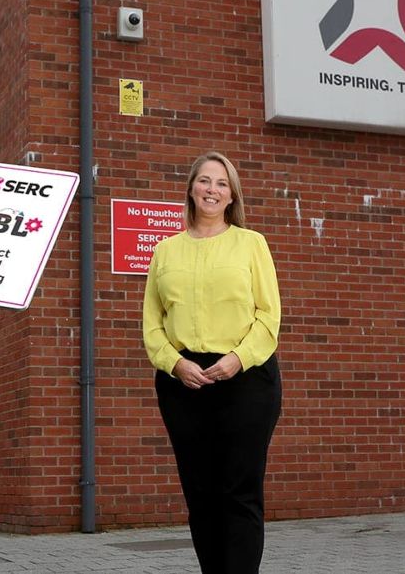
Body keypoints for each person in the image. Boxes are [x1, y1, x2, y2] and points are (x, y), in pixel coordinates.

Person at [142, 152, 283, 574]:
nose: (211, 189)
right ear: (191, 189)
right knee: (200, 493)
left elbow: (268, 316)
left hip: (246, 379)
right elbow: (153, 326)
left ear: (231, 195)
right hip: (184, 383)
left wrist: (237, 359)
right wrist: (174, 363)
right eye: (204, 181)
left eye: (221, 183)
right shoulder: (165, 251)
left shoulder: (251, 243)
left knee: (239, 492)